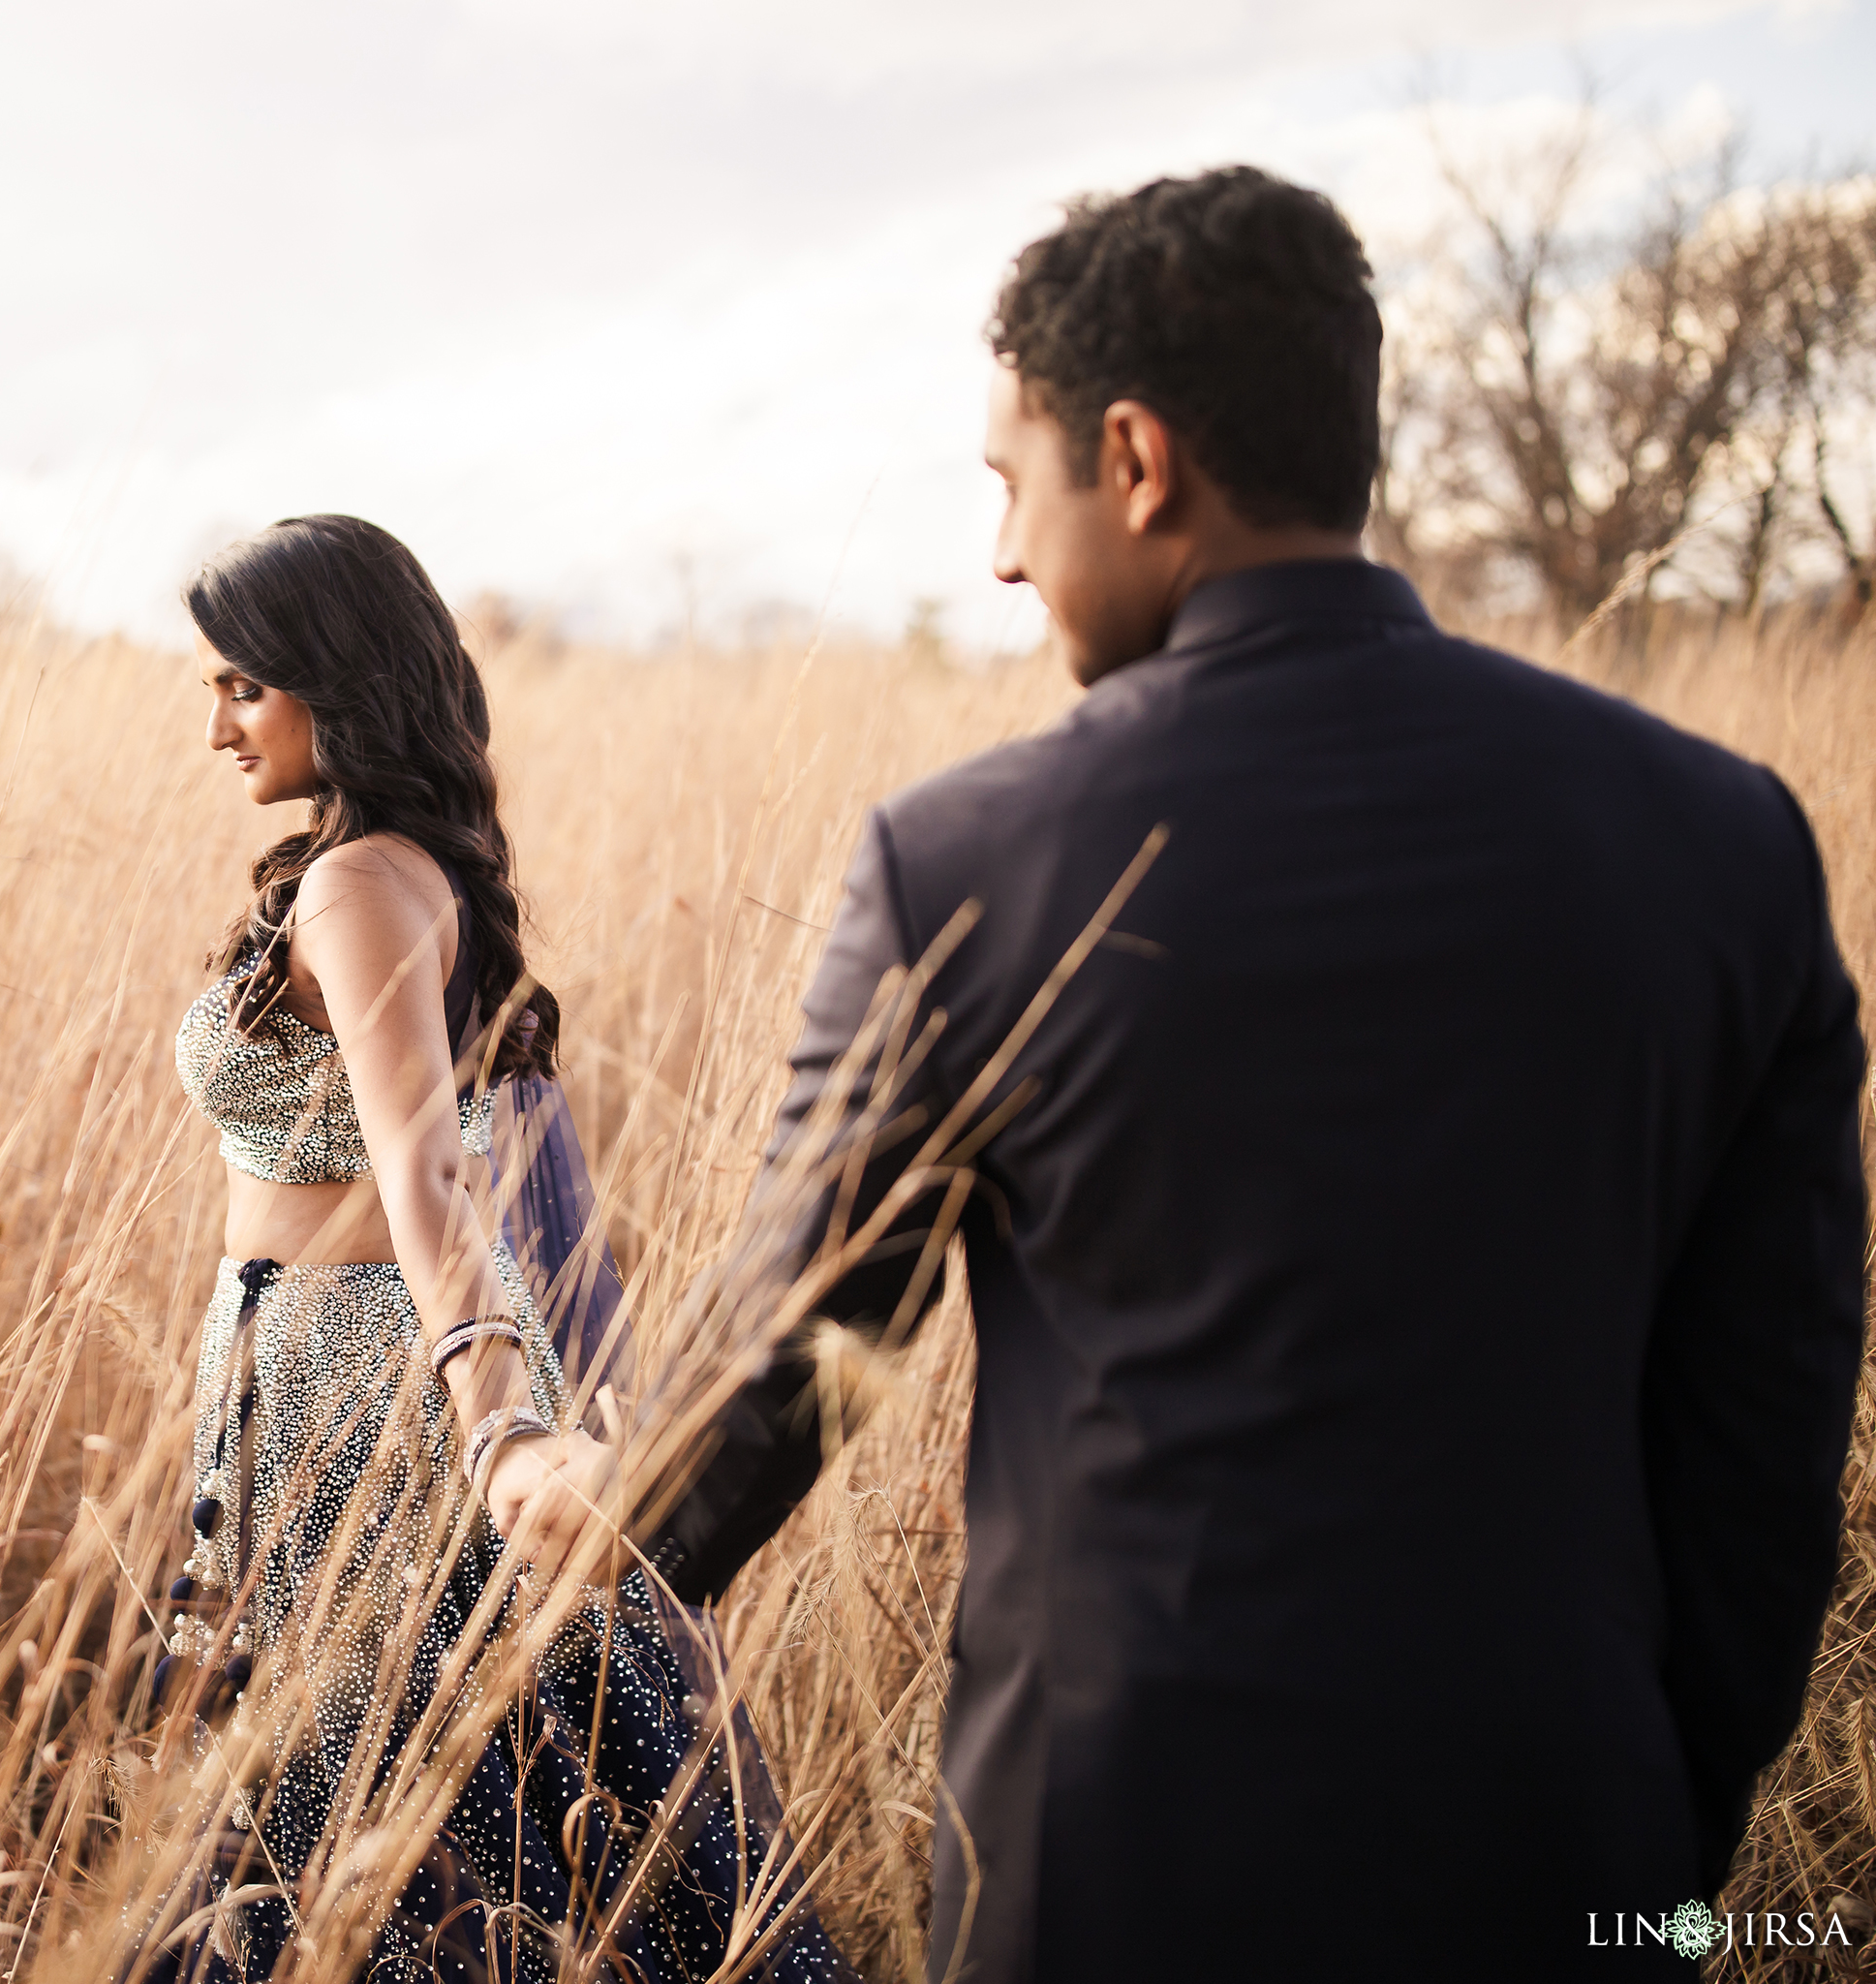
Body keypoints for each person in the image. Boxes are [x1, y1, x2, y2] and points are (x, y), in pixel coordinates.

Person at [545, 170, 1869, 1978]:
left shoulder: (969, 862)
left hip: (1112, 1867)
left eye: (1012, 486)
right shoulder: (1727, 840)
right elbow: (1767, 1440)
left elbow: (797, 1363)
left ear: (1140, 461)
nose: (1004, 556)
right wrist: (1651, 1833)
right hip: (1566, 1845)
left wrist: (593, 1514)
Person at [145, 514, 848, 1984]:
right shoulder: (385, 865)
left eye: (241, 688)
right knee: (462, 1759)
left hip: (361, 1376)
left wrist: (501, 1423)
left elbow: (421, 1157)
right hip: (327, 1355)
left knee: (382, 1776)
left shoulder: (353, 885)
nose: (215, 726)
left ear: (330, 679)